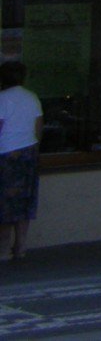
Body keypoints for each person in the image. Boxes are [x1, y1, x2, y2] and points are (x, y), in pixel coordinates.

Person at [0, 62, 42, 260]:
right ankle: (21, 246)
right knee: (25, 200)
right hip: (29, 152)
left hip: (6, 153)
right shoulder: (31, 97)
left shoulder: (2, 99)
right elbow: (38, 126)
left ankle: (3, 248)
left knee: (5, 202)